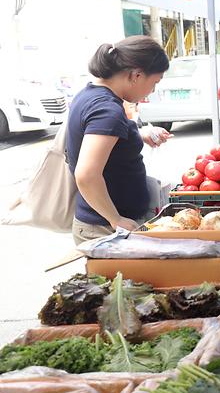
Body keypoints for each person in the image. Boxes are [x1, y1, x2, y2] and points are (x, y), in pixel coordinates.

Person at [66, 36, 172, 244]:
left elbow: (100, 138)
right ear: (136, 75)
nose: (153, 90)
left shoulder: (89, 94)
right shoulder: (107, 110)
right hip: (105, 229)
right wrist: (115, 219)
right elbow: (86, 175)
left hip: (103, 224)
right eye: (154, 82)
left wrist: (139, 135)